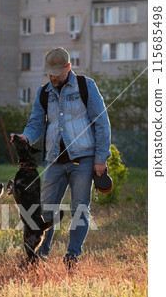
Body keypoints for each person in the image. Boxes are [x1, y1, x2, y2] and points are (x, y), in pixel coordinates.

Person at [11, 47, 111, 270]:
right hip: (54, 160)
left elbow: (102, 123)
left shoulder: (86, 86)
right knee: (45, 211)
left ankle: (72, 257)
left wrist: (101, 158)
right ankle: (39, 256)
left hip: (84, 159)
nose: (52, 77)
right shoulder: (43, 92)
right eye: (49, 73)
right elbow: (36, 123)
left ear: (68, 67)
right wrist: (25, 137)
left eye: (56, 72)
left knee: (79, 211)